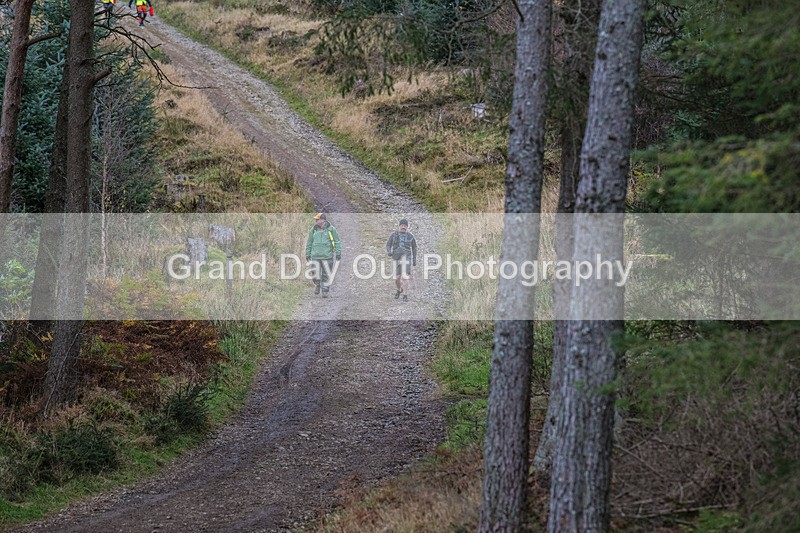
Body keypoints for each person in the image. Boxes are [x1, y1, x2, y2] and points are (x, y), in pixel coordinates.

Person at [305, 213, 341, 297]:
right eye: (316, 219)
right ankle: (317, 285)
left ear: (323, 220)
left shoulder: (331, 230)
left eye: (318, 219)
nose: (316, 221)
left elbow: (337, 242)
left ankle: (325, 290)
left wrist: (338, 253)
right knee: (314, 273)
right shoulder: (313, 230)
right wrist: (307, 254)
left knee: (326, 274)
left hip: (327, 257)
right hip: (315, 256)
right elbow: (309, 242)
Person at [386, 218, 417, 302]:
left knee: (405, 277)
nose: (403, 227)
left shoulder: (410, 236)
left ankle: (405, 295)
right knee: (396, 278)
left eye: (405, 225)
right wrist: (389, 252)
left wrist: (414, 259)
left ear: (407, 227)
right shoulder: (394, 235)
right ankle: (399, 289)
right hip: (396, 258)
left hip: (406, 258)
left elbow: (414, 248)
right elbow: (388, 245)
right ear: (399, 226)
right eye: (402, 225)